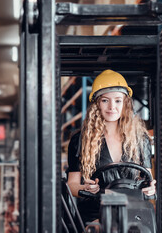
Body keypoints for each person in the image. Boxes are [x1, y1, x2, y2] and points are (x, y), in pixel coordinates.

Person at [66, 69, 156, 223]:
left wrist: (151, 189)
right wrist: (85, 189)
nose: (111, 107)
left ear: (125, 103)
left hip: (133, 212)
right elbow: (72, 184)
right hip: (95, 213)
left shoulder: (140, 138)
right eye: (105, 100)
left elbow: (148, 179)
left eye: (118, 100)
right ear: (96, 104)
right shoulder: (79, 139)